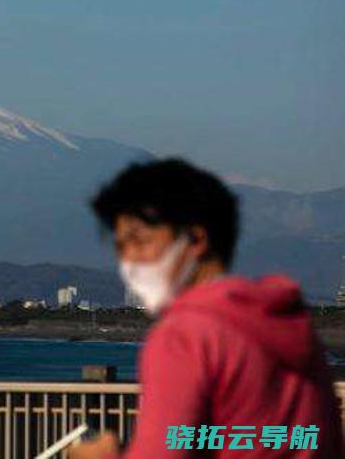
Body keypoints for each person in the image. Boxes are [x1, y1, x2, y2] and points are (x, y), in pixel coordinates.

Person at [71, 159, 342, 459]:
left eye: (141, 242)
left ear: (195, 239)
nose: (129, 261)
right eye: (121, 247)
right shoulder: (288, 322)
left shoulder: (185, 334)